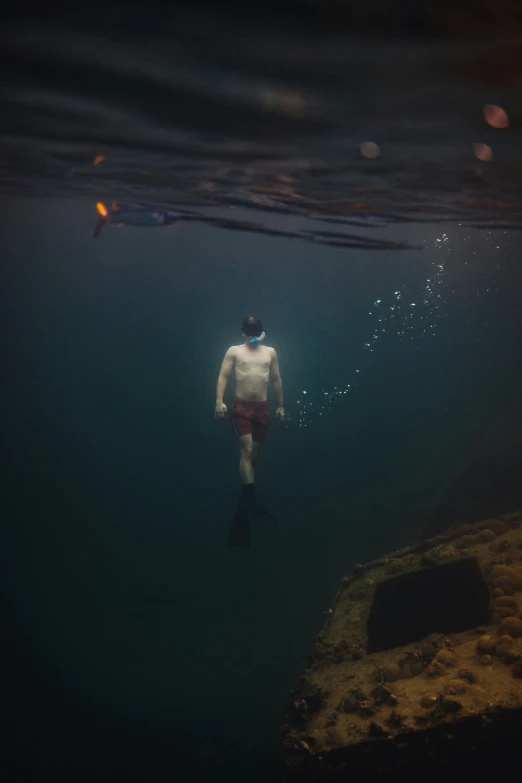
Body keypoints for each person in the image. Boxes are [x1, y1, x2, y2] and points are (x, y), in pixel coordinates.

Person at [215, 316, 285, 549]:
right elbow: (224, 375)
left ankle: (243, 503)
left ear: (261, 331)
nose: (252, 334)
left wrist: (281, 406)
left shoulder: (270, 352)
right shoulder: (234, 351)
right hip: (242, 406)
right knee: (245, 450)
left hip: (262, 408)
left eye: (256, 330)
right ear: (243, 332)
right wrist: (219, 401)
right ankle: (251, 496)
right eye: (249, 330)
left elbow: (276, 379)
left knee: (252, 458)